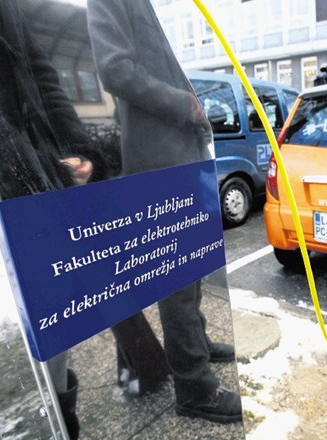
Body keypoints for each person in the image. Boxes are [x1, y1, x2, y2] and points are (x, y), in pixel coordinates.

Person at [87, 0, 242, 424]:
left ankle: (194, 347)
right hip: (159, 160)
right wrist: (184, 105)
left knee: (191, 269)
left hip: (177, 155)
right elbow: (115, 69)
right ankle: (194, 387)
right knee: (177, 278)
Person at [0, 1, 107, 438]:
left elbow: (42, 78)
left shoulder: (2, 7)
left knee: (52, 320)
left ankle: (61, 420)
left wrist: (78, 151)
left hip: (28, 178)